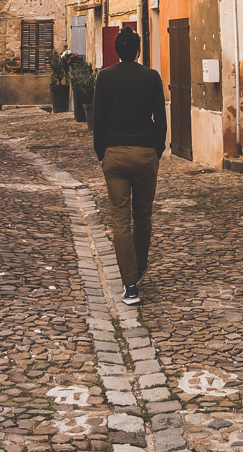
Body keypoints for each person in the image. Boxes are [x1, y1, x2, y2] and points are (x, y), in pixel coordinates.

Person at [92, 26, 167, 306]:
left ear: (116, 50)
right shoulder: (151, 77)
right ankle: (139, 266)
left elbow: (97, 121)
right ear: (138, 50)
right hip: (146, 153)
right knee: (143, 217)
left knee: (120, 220)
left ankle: (130, 284)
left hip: (115, 154)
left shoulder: (106, 77)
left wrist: (102, 152)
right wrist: (156, 151)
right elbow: (160, 120)